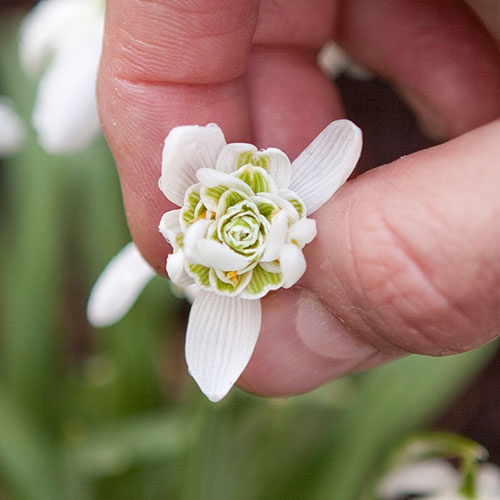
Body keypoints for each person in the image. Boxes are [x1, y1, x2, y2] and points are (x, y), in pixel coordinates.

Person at [97, 0, 500, 397]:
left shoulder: (278, 216)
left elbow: (339, 141)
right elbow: (186, 144)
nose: (236, 234)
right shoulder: (199, 188)